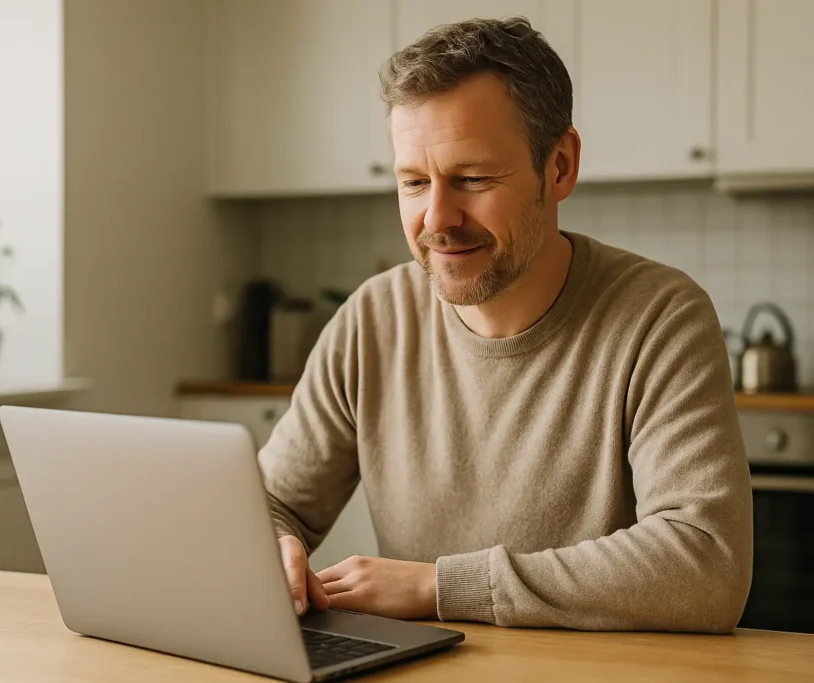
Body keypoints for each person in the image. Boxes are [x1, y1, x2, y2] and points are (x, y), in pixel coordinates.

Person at [258, 16, 753, 632]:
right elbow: (270, 504)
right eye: (414, 183)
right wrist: (271, 548)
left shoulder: (660, 318)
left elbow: (706, 565)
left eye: (472, 179)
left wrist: (441, 586)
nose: (436, 218)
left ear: (561, 165)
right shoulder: (371, 319)